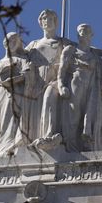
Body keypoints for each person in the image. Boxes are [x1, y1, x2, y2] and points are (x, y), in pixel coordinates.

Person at [0, 32, 39, 157]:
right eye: (9, 41)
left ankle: (7, 151)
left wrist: (17, 79)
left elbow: (28, 76)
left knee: (8, 123)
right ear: (5, 44)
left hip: (13, 93)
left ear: (19, 43)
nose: (12, 43)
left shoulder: (22, 59)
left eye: (15, 41)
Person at [26, 9, 74, 148]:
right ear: (40, 23)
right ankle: (35, 139)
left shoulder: (63, 42)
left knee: (48, 98)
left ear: (56, 22)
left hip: (56, 81)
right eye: (44, 19)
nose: (47, 21)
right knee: (36, 112)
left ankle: (49, 135)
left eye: (50, 18)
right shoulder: (33, 44)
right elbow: (19, 58)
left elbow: (82, 51)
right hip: (37, 82)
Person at [58, 24, 102, 152]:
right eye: (81, 31)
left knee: (88, 115)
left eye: (87, 31)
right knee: (73, 115)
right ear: (77, 35)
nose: (84, 33)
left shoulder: (94, 55)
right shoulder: (71, 50)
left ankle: (84, 144)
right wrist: (61, 85)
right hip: (75, 83)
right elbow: (62, 69)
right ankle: (70, 146)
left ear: (91, 35)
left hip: (91, 86)